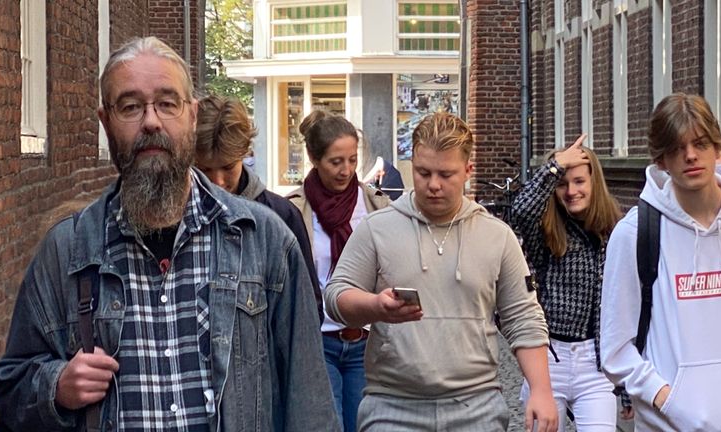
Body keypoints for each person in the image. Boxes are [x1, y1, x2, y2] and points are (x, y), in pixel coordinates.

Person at [0, 36, 339, 431]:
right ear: (105, 122)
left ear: (191, 115)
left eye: (167, 103)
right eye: (131, 106)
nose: (151, 120)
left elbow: (310, 404)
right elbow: (10, 386)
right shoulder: (66, 250)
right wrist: (56, 387)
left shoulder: (265, 240)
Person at [324, 112, 558, 432]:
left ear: (467, 171)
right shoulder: (377, 228)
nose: (433, 185)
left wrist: (542, 391)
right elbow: (336, 295)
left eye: (446, 174)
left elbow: (524, 318)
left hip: (477, 407)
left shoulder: (497, 236)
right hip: (392, 408)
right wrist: (375, 306)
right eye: (423, 172)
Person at [601, 93, 721, 431]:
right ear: (661, 160)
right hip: (668, 425)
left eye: (699, 143)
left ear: (716, 146)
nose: (690, 156)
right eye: (676, 148)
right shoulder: (635, 234)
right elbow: (615, 348)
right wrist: (668, 399)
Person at [287, 110, 390, 432]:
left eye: (352, 159)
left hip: (366, 339)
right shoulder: (293, 209)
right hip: (318, 340)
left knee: (364, 424)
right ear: (314, 159)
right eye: (336, 161)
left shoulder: (376, 205)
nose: (346, 170)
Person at [512, 134, 623, 431]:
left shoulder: (615, 231)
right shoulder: (546, 232)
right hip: (550, 360)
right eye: (563, 183)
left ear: (593, 183)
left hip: (595, 365)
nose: (571, 191)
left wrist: (624, 384)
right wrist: (555, 167)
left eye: (579, 182)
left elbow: (623, 306)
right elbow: (521, 210)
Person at [194, 94, 323, 323]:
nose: (218, 182)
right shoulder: (172, 218)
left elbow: (307, 312)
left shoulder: (281, 216)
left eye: (227, 167)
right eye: (205, 170)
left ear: (245, 153)